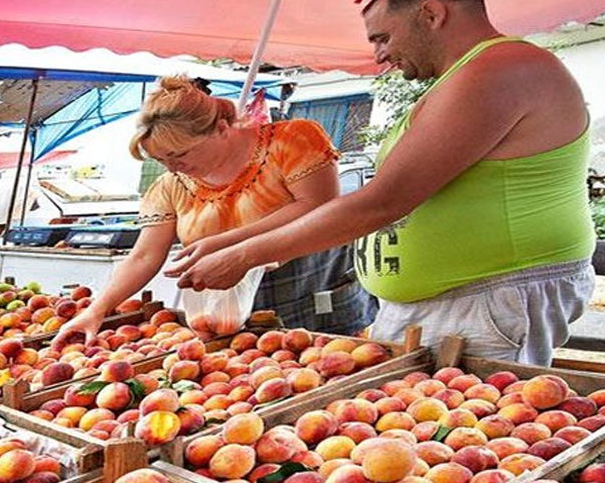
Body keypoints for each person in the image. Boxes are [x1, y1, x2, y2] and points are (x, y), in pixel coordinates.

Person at [169, 0, 595, 366]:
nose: (380, 55)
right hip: (453, 300)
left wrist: (245, 256)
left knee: (460, 435)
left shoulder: (499, 70)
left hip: (486, 297)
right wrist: (228, 245)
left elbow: (383, 202)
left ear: (431, 14)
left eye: (382, 37)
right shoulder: (465, 78)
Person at [56, 76, 373, 345]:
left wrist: (226, 244)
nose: (173, 167)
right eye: (162, 160)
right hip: (230, 313)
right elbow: (143, 256)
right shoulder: (172, 184)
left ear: (221, 128)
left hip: (314, 292)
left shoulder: (292, 141)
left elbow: (318, 208)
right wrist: (97, 309)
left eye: (179, 155)